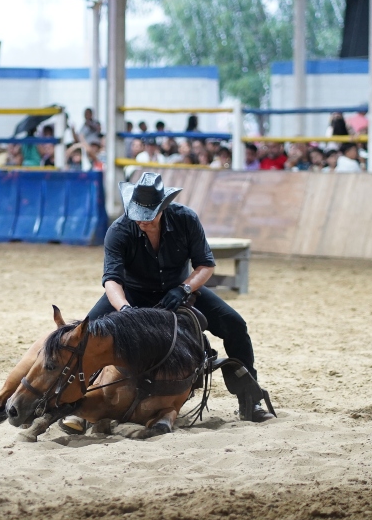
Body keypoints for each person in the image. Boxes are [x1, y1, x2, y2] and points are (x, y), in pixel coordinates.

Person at [85, 172, 275, 433]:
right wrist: (126, 310)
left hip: (180, 292)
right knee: (86, 333)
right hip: (132, 294)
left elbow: (205, 265)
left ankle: (250, 400)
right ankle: (75, 400)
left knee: (234, 324)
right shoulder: (118, 230)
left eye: (148, 216)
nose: (142, 222)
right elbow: (111, 281)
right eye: (137, 215)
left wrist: (184, 288)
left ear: (163, 208)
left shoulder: (186, 219)